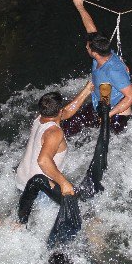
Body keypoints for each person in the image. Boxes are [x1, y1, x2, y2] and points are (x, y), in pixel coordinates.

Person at [16, 83, 92, 225]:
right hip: (41, 189)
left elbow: (66, 112)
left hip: (22, 182)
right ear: (59, 112)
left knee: (25, 221)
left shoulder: (40, 118)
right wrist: (64, 183)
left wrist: (87, 90)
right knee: (85, 214)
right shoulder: (55, 132)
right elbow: (43, 161)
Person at [63, 0, 132, 135]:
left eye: (87, 47)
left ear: (94, 52)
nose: (86, 47)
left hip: (117, 114)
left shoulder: (113, 70)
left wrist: (107, 115)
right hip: (100, 103)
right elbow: (91, 29)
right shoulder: (102, 52)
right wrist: (79, 5)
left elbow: (131, 97)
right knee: (66, 128)